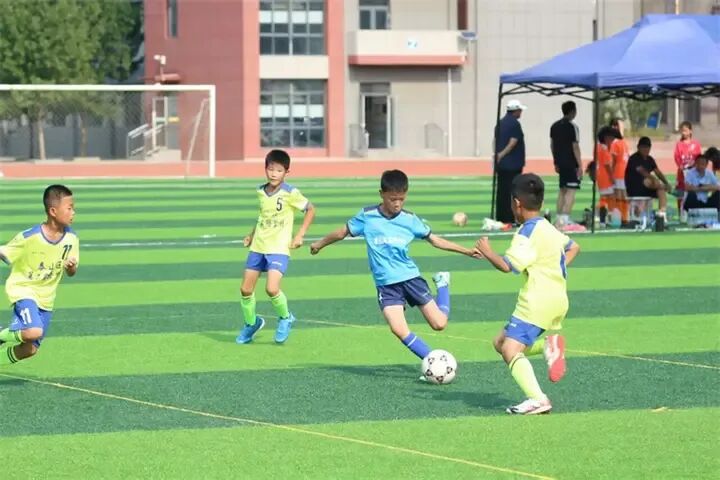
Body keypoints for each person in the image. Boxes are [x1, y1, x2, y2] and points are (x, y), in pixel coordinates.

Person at [310, 170, 477, 376]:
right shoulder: (367, 216)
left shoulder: (410, 219)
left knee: (439, 324)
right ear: (382, 194)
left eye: (401, 199)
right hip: (386, 285)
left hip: (410, 279)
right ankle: (433, 362)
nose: (397, 204)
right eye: (392, 199)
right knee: (398, 329)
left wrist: (465, 251)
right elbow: (342, 232)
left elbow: (435, 240)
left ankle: (442, 284)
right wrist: (319, 244)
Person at [473, 174, 580, 415]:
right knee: (500, 343)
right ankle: (548, 346)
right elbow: (574, 247)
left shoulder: (526, 233)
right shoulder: (547, 227)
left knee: (510, 350)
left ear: (516, 203)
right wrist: (553, 269)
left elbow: (507, 266)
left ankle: (538, 399)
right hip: (557, 298)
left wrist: (487, 251)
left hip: (536, 301)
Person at [236, 149, 316, 345]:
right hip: (258, 246)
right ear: (265, 169)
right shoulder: (260, 191)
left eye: (279, 170)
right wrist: (251, 235)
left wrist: (300, 235)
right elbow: (263, 216)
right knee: (245, 289)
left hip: (279, 248)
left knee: (272, 289)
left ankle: (286, 318)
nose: (274, 174)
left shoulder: (290, 192)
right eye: (271, 169)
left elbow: (310, 209)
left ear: (286, 172)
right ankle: (251, 323)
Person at [0, 185, 79, 366]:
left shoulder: (72, 239)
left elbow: (71, 273)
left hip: (46, 300)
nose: (73, 212)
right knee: (33, 332)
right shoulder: (30, 237)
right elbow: (4, 252)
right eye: (69, 208)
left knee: (29, 349)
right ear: (53, 211)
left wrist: (71, 267)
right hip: (24, 290)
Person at [550, 101, 582, 227]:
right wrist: (580, 165)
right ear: (573, 111)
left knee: (562, 190)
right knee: (571, 190)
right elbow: (575, 147)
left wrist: (556, 161)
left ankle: (559, 217)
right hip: (571, 163)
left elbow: (552, 145)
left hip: (560, 162)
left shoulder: (554, 126)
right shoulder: (573, 127)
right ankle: (565, 218)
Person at [494, 99, 527, 224]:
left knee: (502, 190)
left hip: (502, 164)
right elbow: (513, 142)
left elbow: (495, 140)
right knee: (512, 191)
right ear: (516, 111)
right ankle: (510, 217)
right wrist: (501, 154)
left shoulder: (500, 123)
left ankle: (501, 216)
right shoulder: (515, 124)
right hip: (512, 163)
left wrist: (496, 155)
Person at [625, 137, 671, 215]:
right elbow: (642, 171)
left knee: (661, 190)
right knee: (649, 180)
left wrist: (666, 182)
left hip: (647, 188)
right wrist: (655, 179)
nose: (645, 149)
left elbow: (658, 172)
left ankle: (662, 214)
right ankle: (663, 186)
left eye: (647, 147)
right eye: (643, 147)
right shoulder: (633, 158)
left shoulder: (650, 159)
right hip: (635, 188)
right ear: (638, 147)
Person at [674, 121, 702, 208]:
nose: (683, 133)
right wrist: (681, 166)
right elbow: (677, 157)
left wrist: (694, 165)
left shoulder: (696, 144)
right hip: (682, 174)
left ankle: (692, 210)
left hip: (693, 173)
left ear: (690, 131)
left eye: (685, 131)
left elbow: (699, 157)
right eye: (682, 131)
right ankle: (680, 212)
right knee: (680, 194)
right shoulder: (679, 144)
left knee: (693, 193)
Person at [595, 126, 618, 225]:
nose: (612, 140)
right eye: (611, 138)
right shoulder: (604, 149)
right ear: (606, 137)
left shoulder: (598, 147)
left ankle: (603, 219)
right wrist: (612, 177)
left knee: (605, 198)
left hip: (600, 175)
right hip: (605, 177)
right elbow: (607, 165)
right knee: (608, 198)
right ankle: (605, 219)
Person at [610, 118, 630, 224]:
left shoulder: (618, 142)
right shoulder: (619, 142)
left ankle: (622, 217)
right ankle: (623, 217)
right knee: (622, 195)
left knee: (620, 195)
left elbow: (614, 160)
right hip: (621, 172)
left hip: (621, 172)